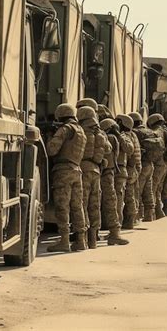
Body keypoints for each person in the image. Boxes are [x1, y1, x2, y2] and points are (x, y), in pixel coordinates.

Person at [46, 103, 87, 252]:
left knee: (62, 207)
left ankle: (64, 241)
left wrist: (50, 136)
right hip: (77, 170)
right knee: (77, 206)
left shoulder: (65, 129)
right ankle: (81, 240)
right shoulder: (81, 131)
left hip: (63, 171)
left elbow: (51, 150)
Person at [77, 106, 111, 249]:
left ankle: (81, 241)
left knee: (81, 204)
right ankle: (93, 240)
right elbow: (108, 149)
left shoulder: (82, 131)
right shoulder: (101, 134)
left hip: (83, 169)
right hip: (97, 170)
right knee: (94, 205)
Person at [99, 118, 129, 245]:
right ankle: (114, 233)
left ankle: (90, 235)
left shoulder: (110, 138)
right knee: (110, 202)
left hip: (105, 173)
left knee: (108, 202)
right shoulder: (112, 138)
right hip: (107, 172)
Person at [129, 112, 163, 222]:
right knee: (148, 191)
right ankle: (150, 215)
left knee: (137, 191)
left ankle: (136, 217)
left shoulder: (135, 132)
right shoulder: (151, 132)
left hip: (141, 165)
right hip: (151, 164)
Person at [117, 114, 141, 229]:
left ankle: (129, 220)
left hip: (129, 168)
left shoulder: (125, 135)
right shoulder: (133, 135)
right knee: (130, 196)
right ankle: (131, 220)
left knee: (127, 196)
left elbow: (129, 150)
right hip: (134, 168)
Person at [113, 116, 134, 225]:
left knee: (118, 200)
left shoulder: (124, 136)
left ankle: (117, 225)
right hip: (112, 170)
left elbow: (130, 149)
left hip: (120, 170)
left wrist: (118, 136)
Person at [147, 114, 167, 219]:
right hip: (164, 163)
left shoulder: (157, 131)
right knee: (158, 188)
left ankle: (155, 212)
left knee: (153, 188)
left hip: (158, 163)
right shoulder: (166, 130)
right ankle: (159, 212)